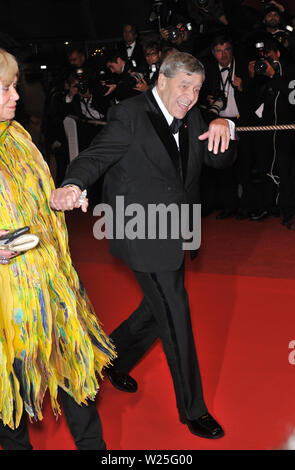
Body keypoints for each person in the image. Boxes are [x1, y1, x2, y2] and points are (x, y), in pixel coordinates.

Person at [50, 51, 237, 439]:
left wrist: (224, 126)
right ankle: (194, 410)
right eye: (184, 86)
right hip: (140, 232)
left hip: (175, 231)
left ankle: (109, 362)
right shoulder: (130, 115)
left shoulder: (194, 115)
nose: (190, 96)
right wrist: (72, 184)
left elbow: (218, 162)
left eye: (197, 89)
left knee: (155, 312)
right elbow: (95, 157)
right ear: (162, 80)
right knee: (176, 316)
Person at [0, 48, 116, 450]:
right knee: (10, 392)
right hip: (7, 303)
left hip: (51, 281)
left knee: (74, 372)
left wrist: (62, 196)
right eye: (6, 88)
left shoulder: (17, 137)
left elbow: (39, 198)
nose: (16, 96)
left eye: (15, 86)